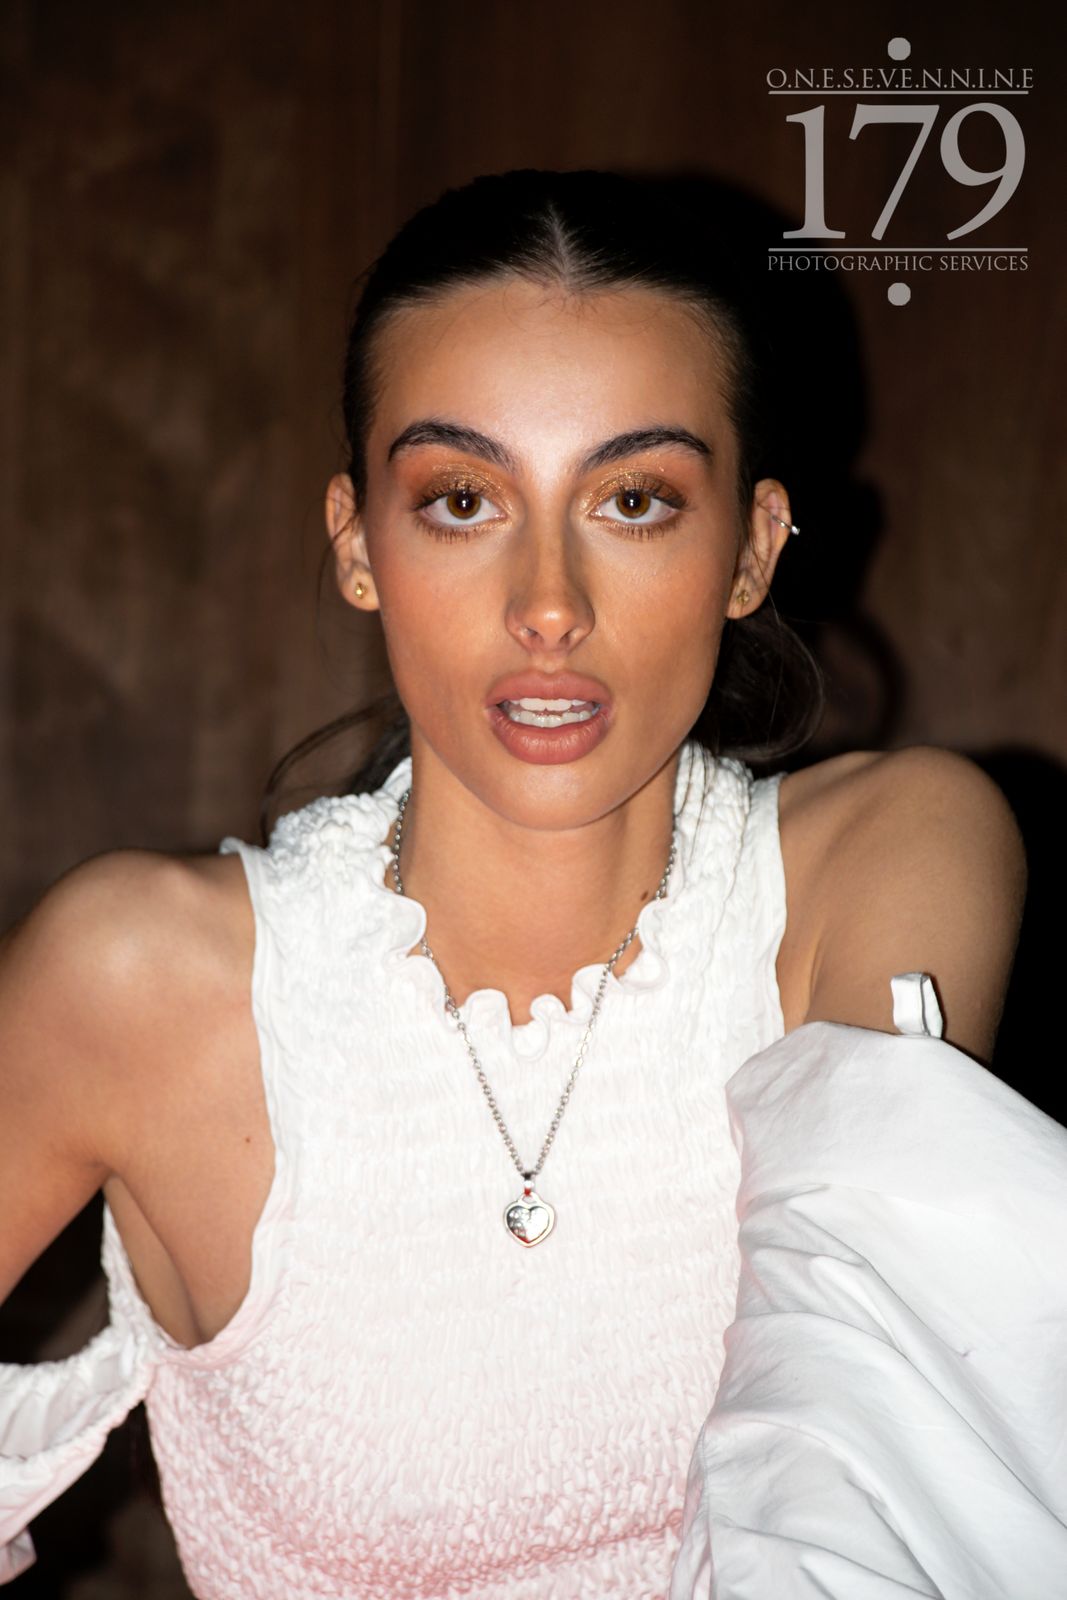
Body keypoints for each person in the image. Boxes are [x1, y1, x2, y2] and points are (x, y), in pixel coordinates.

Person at [1, 168, 1063, 1599]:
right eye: (462, 500)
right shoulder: (140, 980)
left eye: (633, 499)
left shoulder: (881, 863)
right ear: (358, 544)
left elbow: (876, 1457)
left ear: (751, 550)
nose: (549, 605)